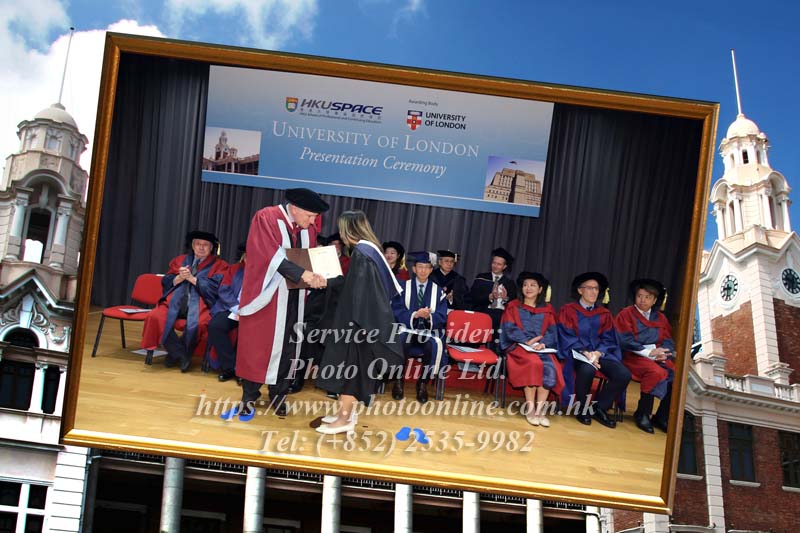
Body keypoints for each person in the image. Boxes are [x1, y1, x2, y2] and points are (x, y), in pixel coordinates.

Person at [223, 188, 328, 422]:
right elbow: (268, 255)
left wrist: (318, 275)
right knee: (258, 346)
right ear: (296, 208)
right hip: (266, 296)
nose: (313, 222)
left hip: (294, 296)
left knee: (289, 346)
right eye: (310, 216)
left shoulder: (307, 228)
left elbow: (308, 258)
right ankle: (249, 396)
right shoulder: (267, 217)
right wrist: (303, 274)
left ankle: (279, 394)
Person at [315, 210, 405, 435]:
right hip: (364, 322)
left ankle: (344, 420)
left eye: (342, 229)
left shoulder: (362, 254)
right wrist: (329, 282)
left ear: (349, 229)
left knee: (350, 372)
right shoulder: (370, 250)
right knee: (353, 371)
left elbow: (360, 295)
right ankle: (347, 414)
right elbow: (355, 286)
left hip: (358, 325)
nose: (341, 234)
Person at [141, 230, 228, 372]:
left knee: (200, 324)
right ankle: (180, 354)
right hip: (174, 303)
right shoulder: (180, 260)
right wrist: (179, 277)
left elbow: (216, 289)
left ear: (212, 248)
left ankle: (176, 354)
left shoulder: (220, 265)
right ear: (192, 246)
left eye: (205, 245)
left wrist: (192, 279)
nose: (201, 247)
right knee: (154, 317)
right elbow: (166, 280)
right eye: (198, 244)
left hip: (201, 305)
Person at [558, 272, 631, 428]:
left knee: (623, 374)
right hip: (577, 353)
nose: (593, 292)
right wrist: (585, 352)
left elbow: (609, 339)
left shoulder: (604, 314)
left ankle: (599, 408)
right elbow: (567, 335)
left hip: (600, 354)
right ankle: (582, 409)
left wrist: (597, 353)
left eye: (596, 289)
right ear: (580, 290)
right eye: (589, 288)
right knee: (587, 369)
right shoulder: (568, 310)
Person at [500, 272, 564, 427]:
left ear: (540, 289)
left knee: (550, 366)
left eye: (533, 285)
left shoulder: (547, 309)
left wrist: (543, 343)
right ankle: (530, 409)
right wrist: (526, 341)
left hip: (541, 348)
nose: (528, 288)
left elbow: (552, 331)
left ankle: (540, 410)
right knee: (533, 363)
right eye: (525, 285)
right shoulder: (513, 306)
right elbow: (509, 328)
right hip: (519, 346)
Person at [615, 279, 676, 433]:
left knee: (677, 376)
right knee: (655, 372)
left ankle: (661, 416)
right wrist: (648, 353)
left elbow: (668, 340)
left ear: (654, 300)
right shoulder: (626, 314)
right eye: (639, 296)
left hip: (657, 357)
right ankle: (642, 413)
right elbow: (624, 340)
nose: (642, 300)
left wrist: (663, 353)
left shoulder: (660, 318)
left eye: (647, 297)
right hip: (633, 356)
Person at [390, 251, 448, 404]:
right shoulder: (403, 288)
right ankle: (398, 380)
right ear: (414, 269)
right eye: (420, 267)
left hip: (428, 332)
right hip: (407, 329)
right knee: (402, 340)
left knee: (432, 345)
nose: (423, 270)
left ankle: (422, 383)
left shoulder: (438, 291)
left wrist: (428, 317)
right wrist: (415, 315)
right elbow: (396, 310)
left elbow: (442, 316)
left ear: (431, 270)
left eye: (427, 267)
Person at [206, 242, 246, 382]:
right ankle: (231, 367)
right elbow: (223, 290)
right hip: (232, 308)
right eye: (247, 256)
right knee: (216, 326)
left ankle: (244, 371)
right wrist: (237, 308)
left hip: (254, 312)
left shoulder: (265, 272)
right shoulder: (234, 269)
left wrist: (249, 310)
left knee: (249, 332)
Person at [469, 247, 518, 339]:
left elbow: (514, 303)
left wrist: (505, 298)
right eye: (494, 263)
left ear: (504, 266)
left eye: (499, 264)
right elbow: (472, 297)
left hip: (500, 317)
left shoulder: (509, 283)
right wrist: (489, 297)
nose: (495, 266)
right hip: (483, 314)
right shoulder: (481, 278)